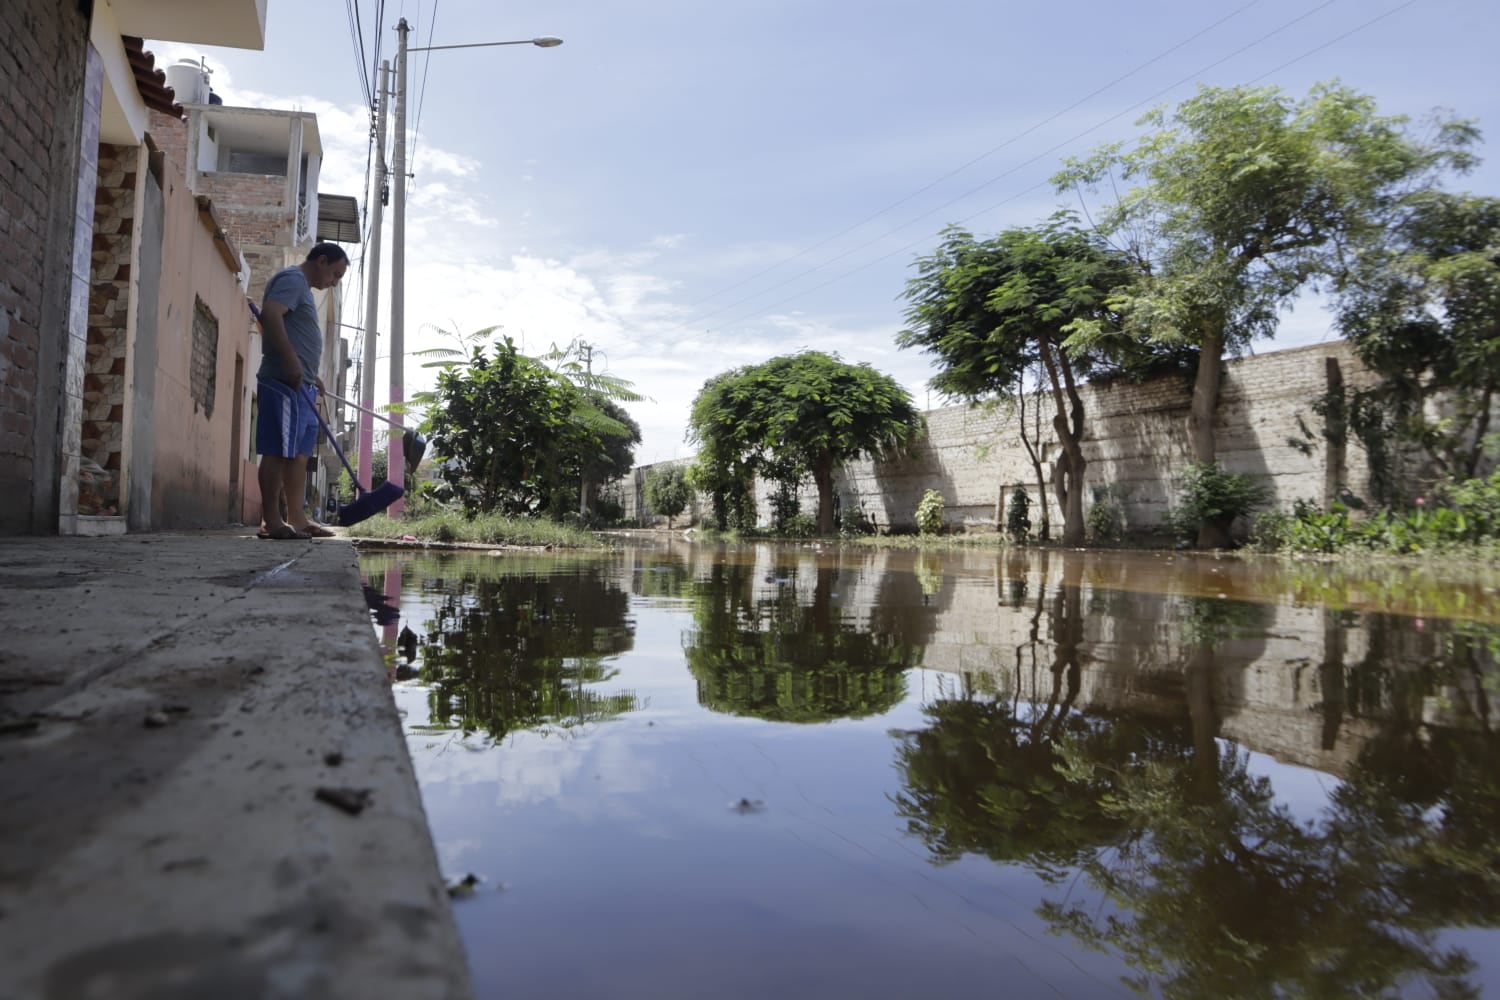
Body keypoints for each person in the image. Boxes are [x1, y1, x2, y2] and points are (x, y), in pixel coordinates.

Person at [255, 243, 349, 539]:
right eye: (335, 274)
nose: (333, 282)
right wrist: (292, 361)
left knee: (297, 455)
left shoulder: (302, 288)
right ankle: (272, 521)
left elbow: (295, 332)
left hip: (302, 385)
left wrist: (312, 374)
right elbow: (270, 314)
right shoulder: (292, 280)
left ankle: (297, 519)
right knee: (276, 452)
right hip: (283, 382)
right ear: (321, 261)